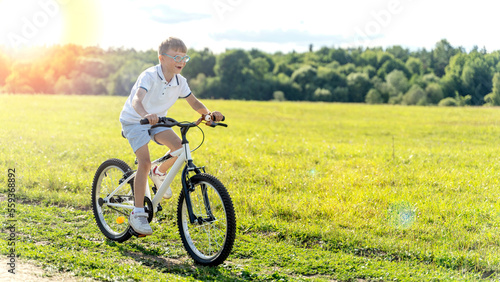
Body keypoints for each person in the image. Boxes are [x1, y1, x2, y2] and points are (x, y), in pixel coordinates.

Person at [119, 37, 224, 235]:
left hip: (157, 120)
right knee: (144, 162)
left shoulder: (179, 81)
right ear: (162, 58)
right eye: (177, 56)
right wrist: (145, 115)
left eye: (185, 58)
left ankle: (158, 172)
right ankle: (138, 212)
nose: (182, 61)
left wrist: (208, 114)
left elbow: (194, 102)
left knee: (180, 147)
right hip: (135, 120)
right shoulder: (149, 76)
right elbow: (136, 100)